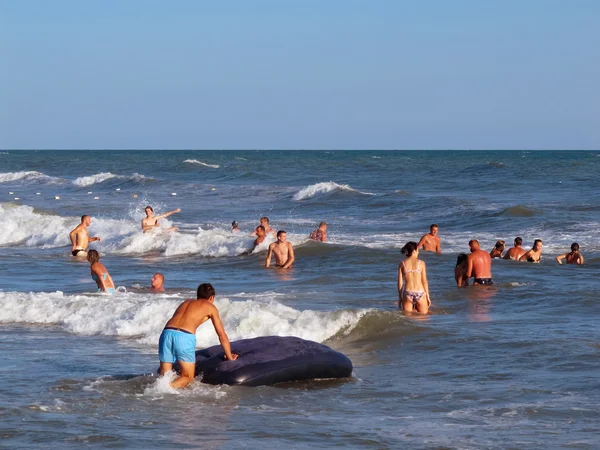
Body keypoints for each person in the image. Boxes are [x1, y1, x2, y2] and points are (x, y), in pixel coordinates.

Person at [158, 283, 238, 389]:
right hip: (184, 336)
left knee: (165, 375)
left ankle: (158, 391)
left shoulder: (185, 303)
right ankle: (163, 389)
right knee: (187, 377)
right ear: (211, 297)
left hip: (166, 333)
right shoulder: (210, 307)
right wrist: (229, 356)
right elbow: (221, 334)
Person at [397, 242, 431, 313]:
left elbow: (400, 283)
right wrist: (427, 296)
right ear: (414, 251)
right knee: (424, 318)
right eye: (418, 250)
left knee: (408, 319)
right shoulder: (421, 263)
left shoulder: (402, 264)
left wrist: (400, 297)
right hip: (420, 292)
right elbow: (424, 281)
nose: (418, 252)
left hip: (408, 293)